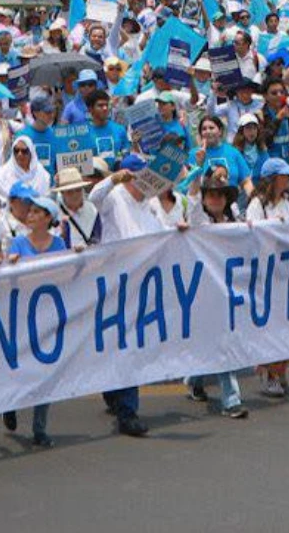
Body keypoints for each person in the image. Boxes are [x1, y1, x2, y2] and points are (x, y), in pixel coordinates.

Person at [87, 154, 166, 436]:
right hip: (114, 283)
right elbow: (94, 196)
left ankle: (126, 408)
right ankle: (121, 402)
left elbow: (162, 237)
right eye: (138, 176)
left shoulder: (150, 206)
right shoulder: (115, 199)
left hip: (141, 286)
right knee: (117, 343)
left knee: (130, 345)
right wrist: (114, 179)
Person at [0, 196, 70, 445]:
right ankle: (12, 402)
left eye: (37, 212)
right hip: (22, 313)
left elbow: (68, 274)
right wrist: (11, 263)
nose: (30, 215)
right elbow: (7, 276)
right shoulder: (17, 243)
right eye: (30, 211)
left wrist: (78, 256)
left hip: (48, 313)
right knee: (19, 364)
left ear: (48, 217)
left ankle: (40, 428)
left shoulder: (59, 243)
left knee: (45, 370)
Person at [184, 176, 249, 418]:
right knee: (219, 342)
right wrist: (196, 173)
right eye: (210, 195)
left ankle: (196, 379)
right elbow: (192, 205)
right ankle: (229, 399)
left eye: (219, 195)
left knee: (222, 341)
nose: (215, 199)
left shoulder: (235, 223)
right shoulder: (200, 221)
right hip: (206, 291)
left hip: (231, 290)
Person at [245, 157, 289, 396]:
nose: (288, 179)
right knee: (270, 323)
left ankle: (281, 367)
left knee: (288, 321)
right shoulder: (257, 204)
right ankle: (269, 373)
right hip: (265, 271)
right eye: (283, 175)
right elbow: (251, 233)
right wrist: (273, 226)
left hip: (286, 268)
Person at [0, 136, 51, 203]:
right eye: (16, 151)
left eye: (24, 151)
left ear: (31, 153)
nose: (20, 154)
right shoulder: (2, 174)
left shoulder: (41, 174)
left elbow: (47, 197)